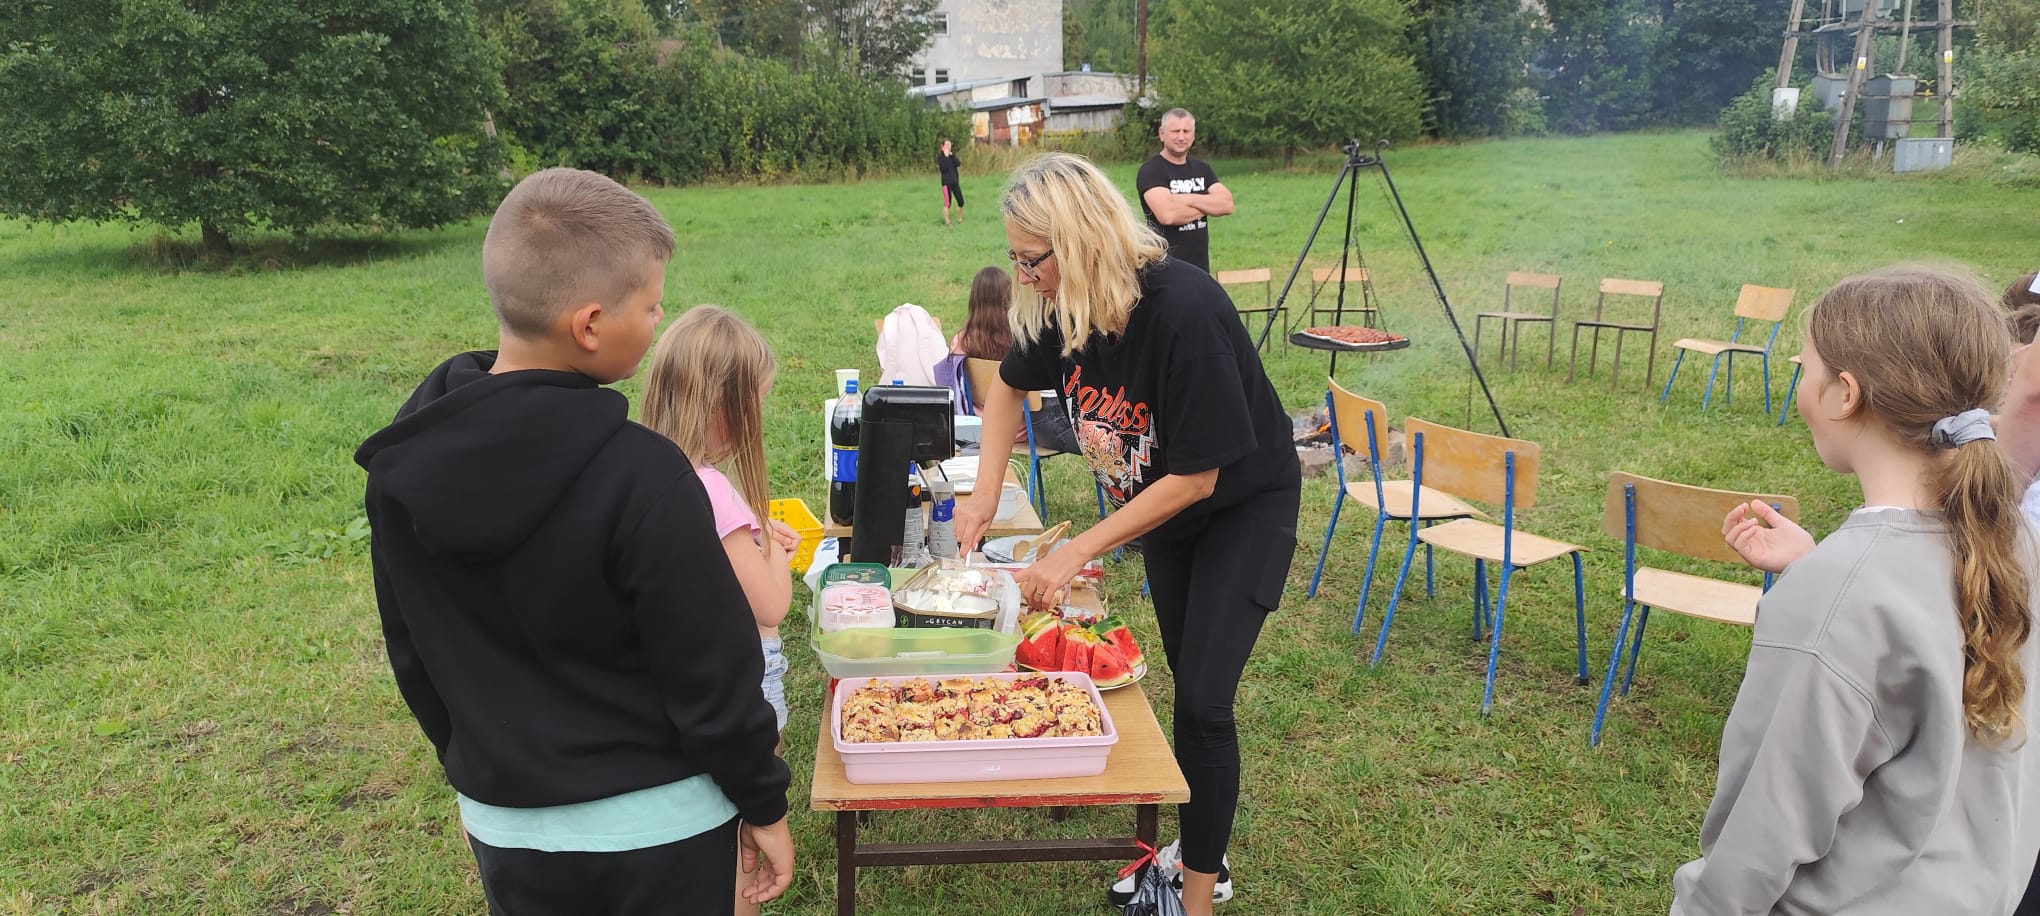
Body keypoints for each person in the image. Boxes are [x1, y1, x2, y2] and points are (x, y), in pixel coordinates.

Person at [353, 168, 793, 916]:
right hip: (664, 826)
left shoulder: (404, 471)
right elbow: (711, 672)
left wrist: (477, 769)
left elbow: (413, 653)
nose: (658, 318)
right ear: (590, 325)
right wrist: (764, 802)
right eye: (651, 306)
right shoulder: (647, 475)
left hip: (509, 825)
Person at [953, 153, 1300, 914]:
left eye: (1033, 259)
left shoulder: (1184, 312)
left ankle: (1195, 896)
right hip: (1168, 514)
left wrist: (1078, 548)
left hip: (1241, 507)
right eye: (1015, 258)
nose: (1025, 276)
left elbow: (1199, 477)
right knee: (1186, 681)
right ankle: (1201, 850)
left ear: (1079, 242)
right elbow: (1007, 389)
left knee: (1205, 702)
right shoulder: (1067, 308)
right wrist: (981, 498)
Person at [1679, 266, 2040, 915]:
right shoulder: (2016, 541)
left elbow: (1759, 837)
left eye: (1807, 369)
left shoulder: (1841, 599)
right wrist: (1824, 568)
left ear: (1844, 394)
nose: (1802, 385)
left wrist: (1832, 584)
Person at [639, 305, 799, 916]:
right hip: (745, 684)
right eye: (756, 403)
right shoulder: (709, 486)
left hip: (671, 696)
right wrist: (776, 551)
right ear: (725, 408)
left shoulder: (646, 467)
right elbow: (772, 604)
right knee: (742, 839)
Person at [949, 265, 1080, 454]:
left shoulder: (961, 342)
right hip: (1023, 429)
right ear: (1008, 297)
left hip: (980, 429)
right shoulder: (1020, 340)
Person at [1135, 109, 1233, 273]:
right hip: (1164, 268)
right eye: (1175, 131)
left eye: (1186, 131)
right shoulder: (1152, 170)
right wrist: (1207, 205)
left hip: (1200, 268)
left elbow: (1226, 204)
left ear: (1193, 135)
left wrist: (1186, 199)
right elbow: (1168, 215)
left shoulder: (1203, 169)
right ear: (1162, 134)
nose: (1181, 137)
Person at [938, 138, 964, 226]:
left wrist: (951, 156)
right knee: (947, 203)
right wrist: (946, 157)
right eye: (947, 145)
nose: (949, 146)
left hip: (955, 183)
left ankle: (959, 219)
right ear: (943, 146)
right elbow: (943, 168)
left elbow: (958, 163)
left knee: (961, 201)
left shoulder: (952, 156)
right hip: (946, 184)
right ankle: (948, 222)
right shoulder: (940, 157)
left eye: (950, 145)